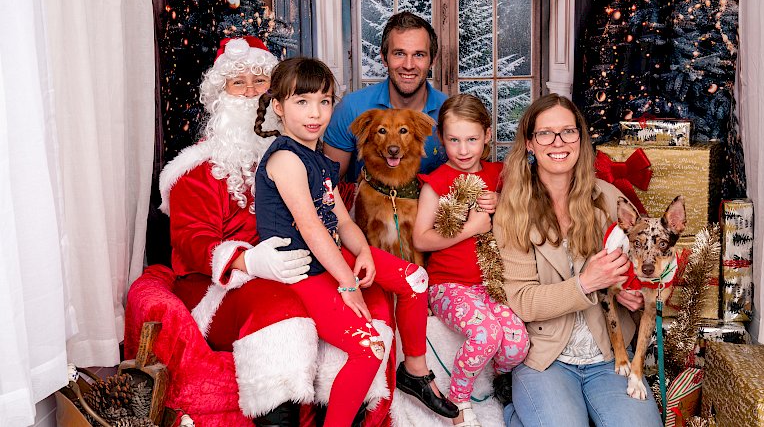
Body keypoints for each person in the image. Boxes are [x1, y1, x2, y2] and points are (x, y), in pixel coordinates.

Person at [253, 57, 459, 427]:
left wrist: (363, 250)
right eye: (302, 102)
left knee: (415, 279)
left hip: (330, 254)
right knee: (369, 349)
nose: (315, 113)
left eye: (324, 101)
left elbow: (343, 220)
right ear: (279, 107)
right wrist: (348, 283)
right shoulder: (285, 158)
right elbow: (312, 229)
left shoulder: (317, 158)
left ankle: (414, 370)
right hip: (301, 269)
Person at [158, 37, 320, 426]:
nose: (250, 92)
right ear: (220, 95)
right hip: (218, 287)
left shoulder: (295, 154)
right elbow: (192, 240)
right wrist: (248, 260)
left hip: (290, 270)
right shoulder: (196, 169)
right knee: (277, 310)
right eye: (237, 83)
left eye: (260, 81)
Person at [493, 94, 663, 427]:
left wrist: (634, 294)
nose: (558, 142)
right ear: (529, 143)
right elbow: (522, 301)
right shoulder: (513, 211)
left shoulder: (608, 198)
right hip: (545, 359)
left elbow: (646, 265)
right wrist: (584, 284)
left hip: (610, 355)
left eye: (568, 132)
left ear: (580, 139)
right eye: (545, 133)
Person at [412, 94, 530, 427]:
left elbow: (524, 218)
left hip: (491, 285)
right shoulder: (436, 183)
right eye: (454, 140)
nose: (463, 150)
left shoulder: (500, 175)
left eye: (472, 140)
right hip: (449, 286)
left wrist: (502, 202)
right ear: (441, 138)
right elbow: (421, 238)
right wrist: (471, 228)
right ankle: (459, 399)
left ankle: (492, 380)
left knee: (517, 343)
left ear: (487, 135)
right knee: (486, 334)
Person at [323, 11, 448, 182]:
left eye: (419, 54)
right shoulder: (351, 108)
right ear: (384, 57)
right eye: (399, 53)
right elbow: (327, 185)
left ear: (432, 60)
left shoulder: (448, 112)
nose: (408, 65)